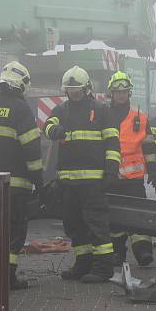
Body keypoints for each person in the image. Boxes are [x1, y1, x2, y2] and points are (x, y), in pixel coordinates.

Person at [44, 66, 120, 283]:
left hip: (93, 181)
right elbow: (47, 126)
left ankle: (103, 267)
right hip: (68, 182)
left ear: (86, 88)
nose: (74, 94)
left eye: (77, 90)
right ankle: (83, 263)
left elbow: (113, 144)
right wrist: (53, 131)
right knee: (74, 225)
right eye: (70, 90)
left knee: (96, 224)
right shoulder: (61, 110)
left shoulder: (102, 110)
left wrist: (111, 170)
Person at [0, 61, 43, 290]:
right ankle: (8, 276)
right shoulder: (21, 109)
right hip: (16, 185)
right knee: (14, 230)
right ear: (21, 84)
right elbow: (32, 149)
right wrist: (39, 180)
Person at [106, 71, 156, 266]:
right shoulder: (103, 115)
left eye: (124, 91)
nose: (121, 94)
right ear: (111, 93)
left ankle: (143, 252)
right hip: (112, 176)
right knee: (115, 218)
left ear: (129, 92)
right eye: (117, 91)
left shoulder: (140, 117)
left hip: (134, 179)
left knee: (139, 216)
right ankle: (117, 254)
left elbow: (149, 146)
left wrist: (153, 169)